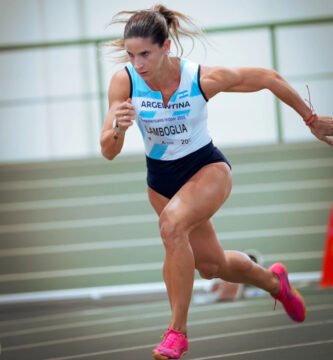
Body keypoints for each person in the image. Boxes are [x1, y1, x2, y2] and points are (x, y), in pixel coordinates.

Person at [100, 4, 333, 359]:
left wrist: (311, 119)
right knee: (211, 267)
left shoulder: (201, 79)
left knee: (171, 227)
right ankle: (275, 283)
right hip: (161, 181)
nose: (138, 64)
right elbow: (108, 151)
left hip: (206, 169)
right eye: (132, 55)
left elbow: (269, 77)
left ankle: (176, 333)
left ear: (166, 48)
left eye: (145, 54)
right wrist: (117, 128)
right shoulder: (125, 81)